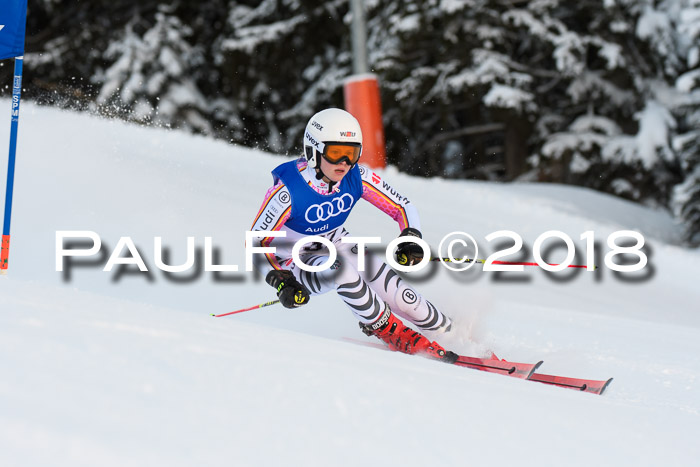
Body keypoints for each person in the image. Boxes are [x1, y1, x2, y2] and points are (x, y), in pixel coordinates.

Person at [250, 108, 457, 363]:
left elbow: (402, 206)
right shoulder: (288, 192)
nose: (344, 163)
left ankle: (452, 335)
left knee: (397, 291)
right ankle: (386, 328)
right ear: (314, 151)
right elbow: (257, 242)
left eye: (352, 154)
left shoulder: (356, 177)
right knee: (341, 270)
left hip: (336, 242)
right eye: (336, 153)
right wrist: (280, 280)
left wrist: (410, 237)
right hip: (297, 265)